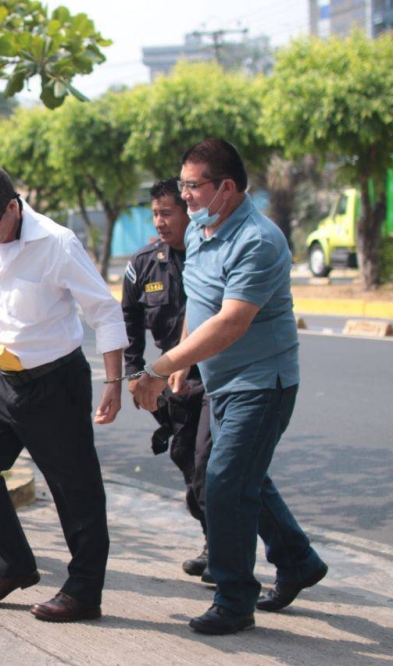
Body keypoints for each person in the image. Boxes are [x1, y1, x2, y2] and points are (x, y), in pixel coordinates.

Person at [134, 139, 328, 635]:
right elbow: (199, 305)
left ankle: (234, 598)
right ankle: (298, 561)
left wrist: (159, 368)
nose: (186, 196)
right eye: (182, 185)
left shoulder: (258, 241)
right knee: (246, 479)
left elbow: (231, 322)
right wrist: (181, 359)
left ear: (226, 187)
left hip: (261, 383)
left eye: (193, 186)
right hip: (220, 380)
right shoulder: (203, 229)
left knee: (223, 484)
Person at [0, 162, 128, 623]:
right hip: (4, 379)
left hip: (55, 383)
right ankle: (13, 564)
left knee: (76, 491)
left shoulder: (56, 244)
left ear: (12, 207)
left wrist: (112, 382)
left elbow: (105, 314)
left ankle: (85, 591)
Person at [122, 178, 212, 578]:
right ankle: (218, 542)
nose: (159, 221)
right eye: (155, 213)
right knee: (186, 459)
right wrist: (132, 371)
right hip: (171, 384)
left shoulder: (208, 254)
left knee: (209, 464)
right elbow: (129, 320)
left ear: (187, 212)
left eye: (167, 213)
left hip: (212, 376)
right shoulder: (143, 264)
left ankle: (223, 551)